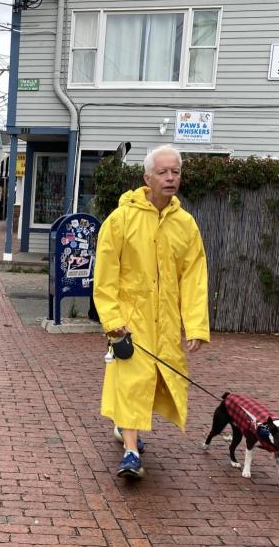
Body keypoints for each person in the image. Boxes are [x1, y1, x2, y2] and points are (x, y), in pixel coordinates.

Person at [92, 145, 210, 480]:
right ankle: (131, 451)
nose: (171, 177)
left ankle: (122, 427)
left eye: (175, 171)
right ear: (147, 178)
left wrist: (197, 325)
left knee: (155, 382)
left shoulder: (185, 225)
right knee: (132, 381)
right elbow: (105, 275)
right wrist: (113, 321)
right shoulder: (121, 219)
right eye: (163, 172)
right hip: (131, 322)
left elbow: (194, 277)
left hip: (166, 323)